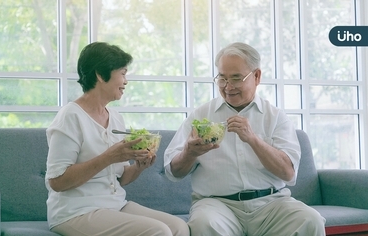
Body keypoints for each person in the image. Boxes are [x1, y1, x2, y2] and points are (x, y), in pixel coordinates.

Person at [164, 42, 326, 236]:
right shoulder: (200, 117)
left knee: (309, 219)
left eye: (236, 78)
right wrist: (189, 153)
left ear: (256, 76)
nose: (228, 87)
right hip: (218, 204)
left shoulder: (275, 117)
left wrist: (252, 139)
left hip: (272, 204)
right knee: (204, 223)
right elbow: (173, 173)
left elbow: (288, 174)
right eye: (222, 78)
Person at [45, 42, 189, 236]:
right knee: (158, 231)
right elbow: (57, 182)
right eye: (122, 73)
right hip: (74, 211)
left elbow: (120, 179)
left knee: (179, 227)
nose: (126, 81)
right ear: (99, 75)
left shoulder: (115, 118)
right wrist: (109, 157)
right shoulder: (71, 116)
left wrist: (139, 166)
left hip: (115, 205)